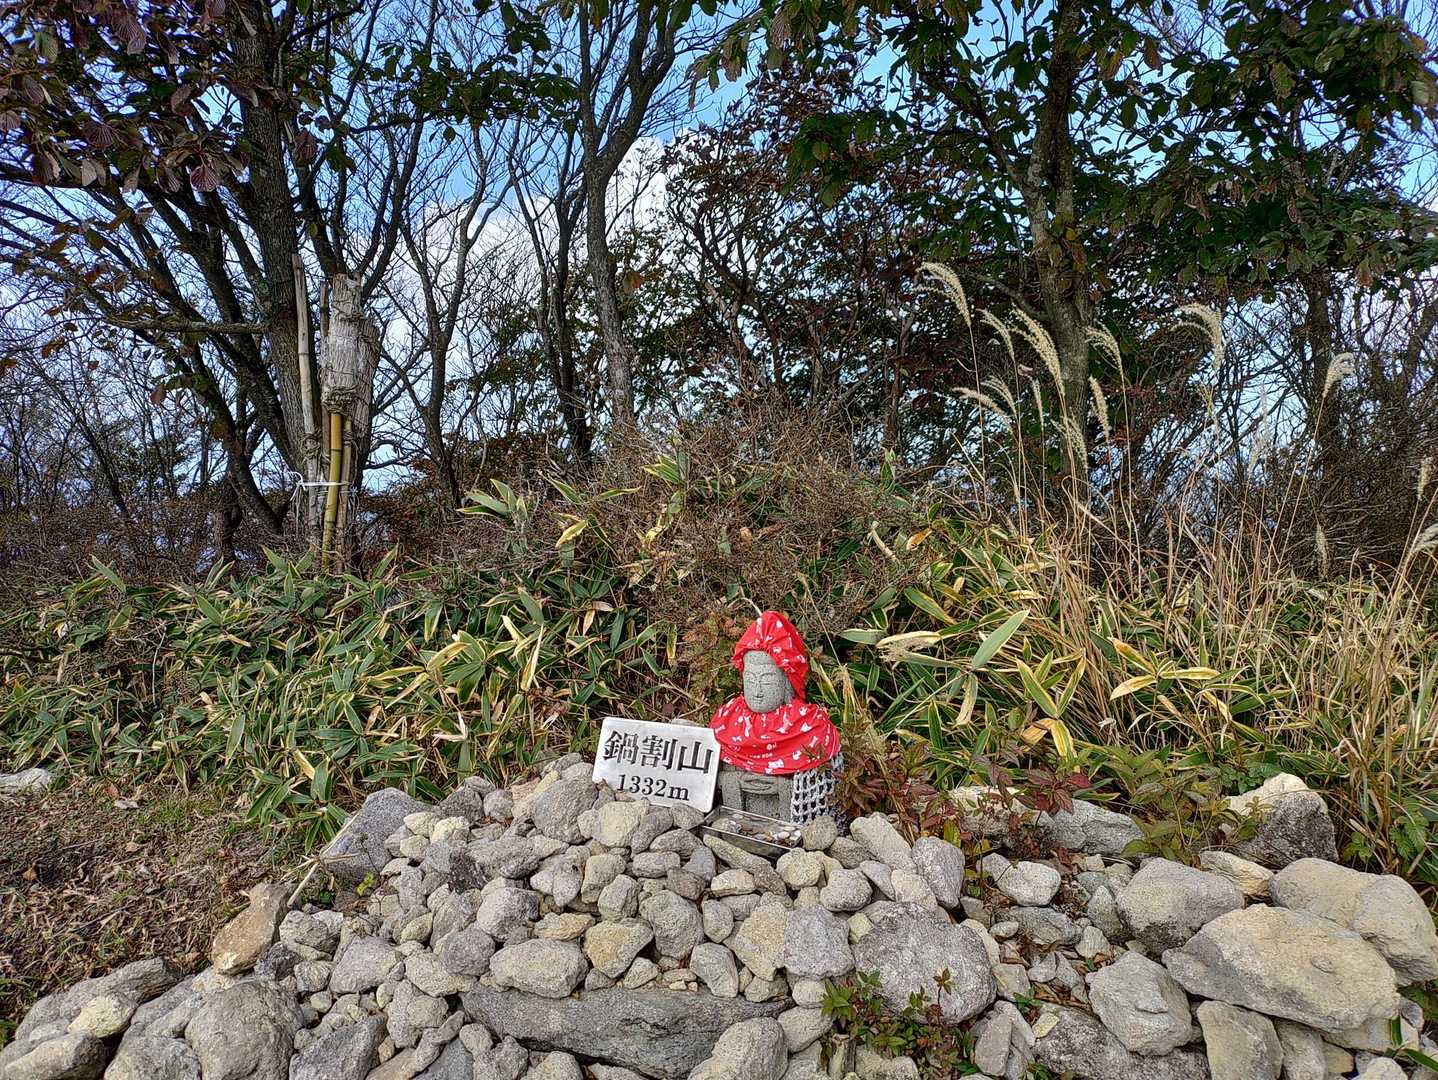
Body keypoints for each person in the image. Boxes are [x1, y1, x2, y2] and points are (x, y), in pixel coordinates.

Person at [710, 611, 843, 823]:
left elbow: (824, 785)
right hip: (735, 822)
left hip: (793, 827)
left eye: (768, 680)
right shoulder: (728, 721)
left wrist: (782, 786)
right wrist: (735, 781)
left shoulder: (811, 727)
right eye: (750, 680)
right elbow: (708, 778)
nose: (758, 691)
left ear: (787, 682)